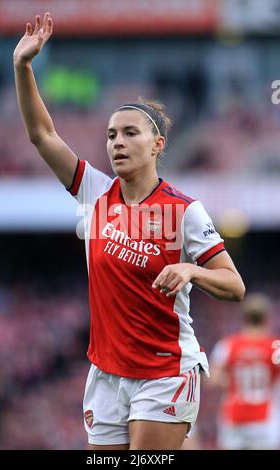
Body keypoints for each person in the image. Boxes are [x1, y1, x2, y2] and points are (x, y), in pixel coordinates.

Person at [13, 12, 245, 450]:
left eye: (129, 133)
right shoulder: (94, 192)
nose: (117, 142)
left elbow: (235, 286)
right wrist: (23, 67)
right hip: (106, 373)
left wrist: (192, 272)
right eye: (111, 134)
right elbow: (43, 135)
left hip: (165, 372)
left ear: (157, 144)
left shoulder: (184, 211)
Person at [209, 293, 280, 450]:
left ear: (244, 318)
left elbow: (213, 379)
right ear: (266, 318)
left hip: (234, 415)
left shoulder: (228, 345)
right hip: (264, 417)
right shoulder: (275, 346)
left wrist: (233, 381)